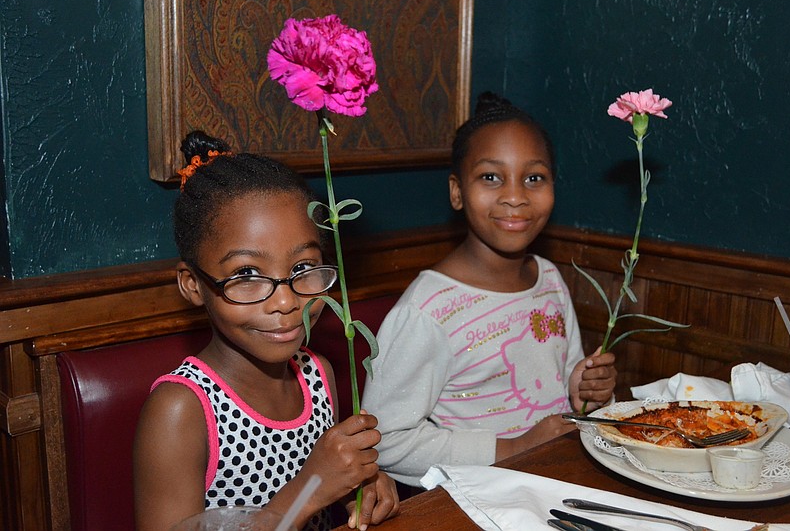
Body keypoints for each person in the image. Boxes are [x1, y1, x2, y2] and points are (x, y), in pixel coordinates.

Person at [134, 131, 399, 531]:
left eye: (303, 268)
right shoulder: (180, 410)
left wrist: (358, 485)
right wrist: (310, 489)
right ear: (193, 285)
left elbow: (323, 490)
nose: (286, 301)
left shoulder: (316, 374)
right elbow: (308, 491)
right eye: (246, 274)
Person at [361, 93, 618, 487]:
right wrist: (513, 447)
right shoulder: (428, 310)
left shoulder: (549, 279)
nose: (515, 196)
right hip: (481, 500)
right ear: (457, 192)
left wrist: (587, 390)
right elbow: (386, 441)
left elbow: (566, 385)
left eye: (534, 178)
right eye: (490, 177)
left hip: (559, 480)